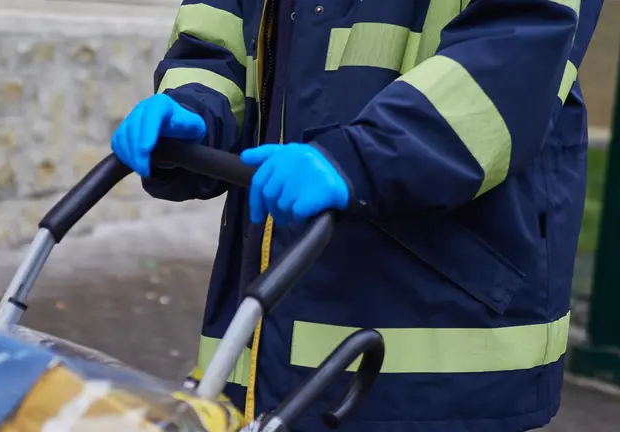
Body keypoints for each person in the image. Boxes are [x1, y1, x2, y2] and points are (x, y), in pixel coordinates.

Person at [111, 0, 603, 430]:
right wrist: (195, 106)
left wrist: (363, 158)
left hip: (437, 343)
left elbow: (515, 56)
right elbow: (218, 33)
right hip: (266, 333)